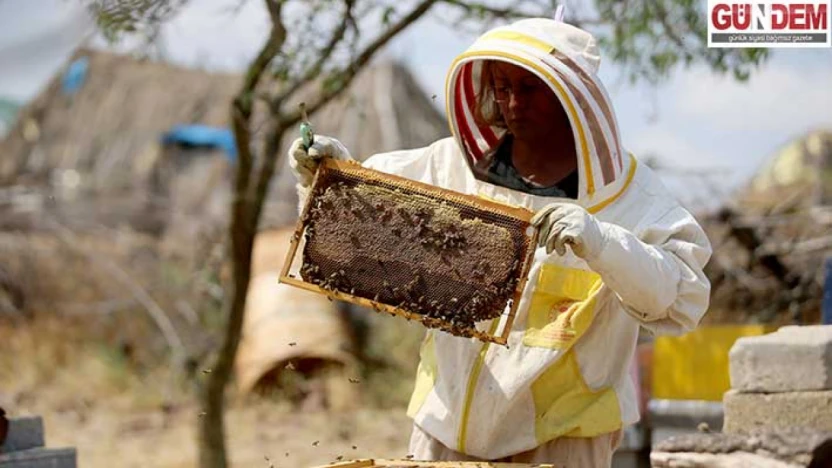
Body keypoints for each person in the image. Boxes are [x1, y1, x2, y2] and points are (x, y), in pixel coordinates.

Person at [289, 17, 711, 467]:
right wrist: (329, 177)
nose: (512, 104)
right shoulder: (449, 166)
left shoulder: (631, 198)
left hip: (561, 440)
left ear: (571, 95)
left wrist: (603, 241)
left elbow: (681, 296)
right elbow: (361, 222)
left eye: (529, 90)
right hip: (443, 428)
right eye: (502, 87)